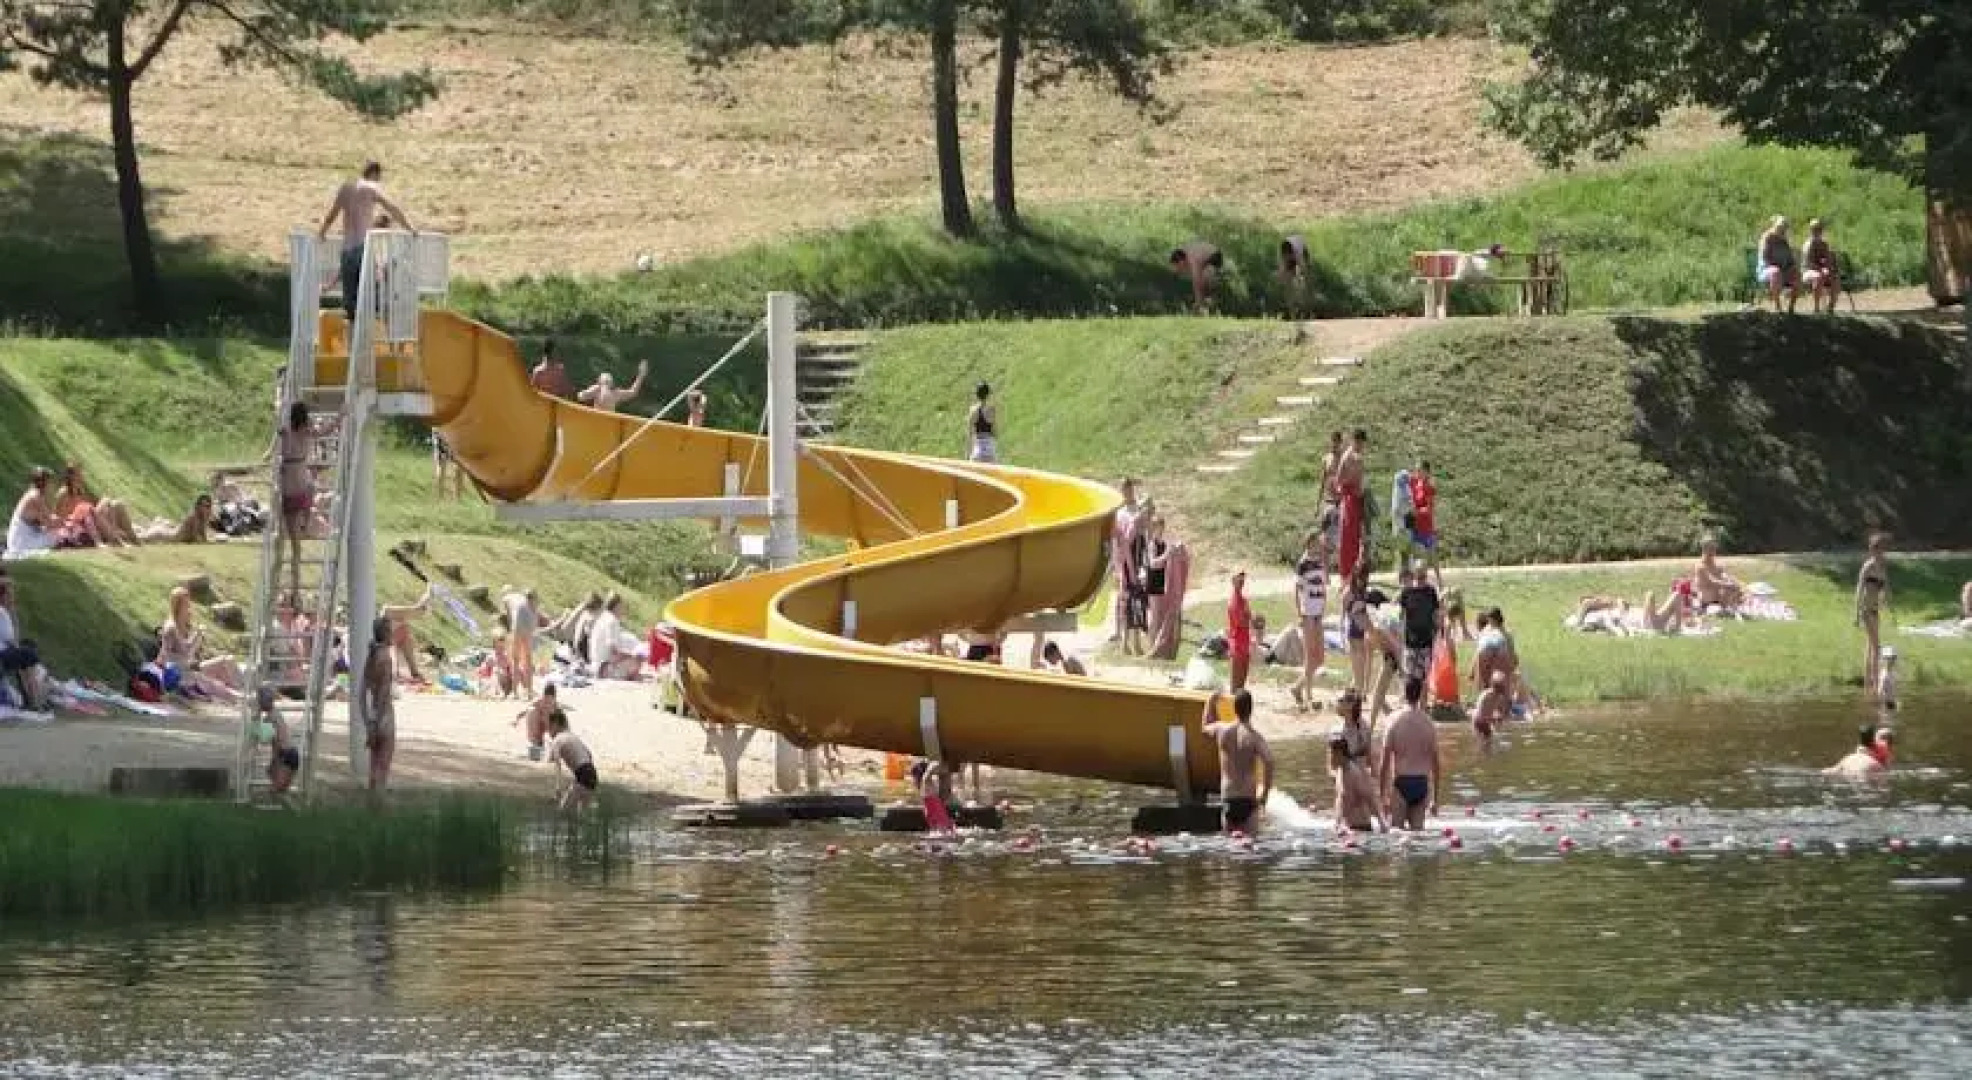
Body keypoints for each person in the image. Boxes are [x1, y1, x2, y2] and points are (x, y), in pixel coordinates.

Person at [317, 162, 416, 322]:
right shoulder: (371, 188)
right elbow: (393, 208)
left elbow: (331, 215)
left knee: (350, 306)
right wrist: (410, 228)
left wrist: (322, 233)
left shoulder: (345, 188)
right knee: (371, 298)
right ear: (375, 174)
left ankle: (352, 339)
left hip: (347, 250)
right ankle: (368, 334)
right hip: (363, 248)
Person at [1200, 689, 1274, 834]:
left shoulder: (1222, 730)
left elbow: (1205, 726)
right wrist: (1264, 795)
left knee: (1229, 849)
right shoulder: (1254, 737)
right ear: (1251, 709)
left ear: (1234, 708)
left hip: (1228, 796)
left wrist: (1211, 700)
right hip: (1248, 798)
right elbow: (1269, 761)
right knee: (1251, 848)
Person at [157, 586, 243, 701]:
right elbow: (173, 655)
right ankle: (243, 698)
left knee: (227, 660)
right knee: (217, 686)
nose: (189, 608)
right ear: (178, 606)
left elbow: (188, 652)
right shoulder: (171, 628)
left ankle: (243, 691)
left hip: (189, 668)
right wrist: (197, 635)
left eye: (189, 604)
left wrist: (198, 634)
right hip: (180, 673)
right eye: (186, 605)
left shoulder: (183, 625)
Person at [1379, 677, 1441, 831]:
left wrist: (1383, 797)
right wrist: (1435, 799)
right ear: (1420, 695)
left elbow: (1384, 763)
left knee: (1396, 834)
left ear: (1403, 694)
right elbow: (1436, 765)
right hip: (1421, 784)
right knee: (1417, 836)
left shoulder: (1393, 721)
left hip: (1401, 782)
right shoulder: (1429, 723)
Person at [272, 402, 316, 601]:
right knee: (295, 547)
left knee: (290, 543)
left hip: (289, 487)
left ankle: (292, 590)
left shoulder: (286, 432)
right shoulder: (306, 432)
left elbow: (279, 436)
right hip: (303, 486)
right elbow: (326, 431)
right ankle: (295, 590)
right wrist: (340, 416)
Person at [53, 464, 138, 547]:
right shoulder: (63, 493)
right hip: (78, 525)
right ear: (70, 476)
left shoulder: (80, 491)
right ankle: (116, 536)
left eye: (81, 473)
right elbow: (59, 517)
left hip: (91, 521)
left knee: (117, 504)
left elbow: (90, 508)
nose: (81, 476)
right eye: (78, 473)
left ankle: (133, 538)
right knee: (105, 501)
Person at [1289, 529, 1329, 710]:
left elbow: (1323, 585)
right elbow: (1297, 590)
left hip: (1318, 611)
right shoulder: (1303, 563)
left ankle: (1298, 687)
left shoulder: (1320, 562)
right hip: (1308, 613)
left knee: (1319, 657)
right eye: (1318, 541)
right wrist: (1300, 613)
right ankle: (1309, 695)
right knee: (1310, 654)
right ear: (1311, 542)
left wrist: (1324, 605)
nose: (1321, 544)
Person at [361, 616, 397, 794]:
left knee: (373, 766)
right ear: (386, 633)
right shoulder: (386, 659)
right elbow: (383, 692)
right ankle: (379, 807)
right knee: (383, 766)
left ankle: (370, 807)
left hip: (371, 714)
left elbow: (362, 692)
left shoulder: (371, 655)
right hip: (384, 715)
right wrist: (377, 720)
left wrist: (368, 720)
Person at [0, 575, 46, 711]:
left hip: (4, 651)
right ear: (2, 597)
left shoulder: (4, 611)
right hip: (2, 653)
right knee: (28, 653)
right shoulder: (1, 612)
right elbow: (10, 639)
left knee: (26, 650)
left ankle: (31, 699)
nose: (13, 599)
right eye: (10, 595)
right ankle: (35, 702)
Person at [1856, 531, 1890, 700]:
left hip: (1876, 610)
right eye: (1878, 549)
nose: (1881, 552)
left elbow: (1885, 587)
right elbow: (1859, 589)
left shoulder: (1882, 566)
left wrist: (1887, 599)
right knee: (1877, 647)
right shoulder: (1868, 566)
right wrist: (1855, 614)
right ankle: (1876, 685)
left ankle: (1868, 682)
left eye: (1883, 549)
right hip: (1866, 609)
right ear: (1872, 549)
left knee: (1870, 646)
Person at [1329, 732, 1385, 835]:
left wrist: (1382, 824)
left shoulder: (1354, 773)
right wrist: (1336, 824)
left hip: (1362, 830)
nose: (1330, 757)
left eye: (1331, 753)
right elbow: (1341, 800)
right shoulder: (1340, 771)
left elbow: (1370, 797)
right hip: (1348, 829)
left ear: (1339, 753)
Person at [1108, 479, 1143, 643]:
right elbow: (1115, 535)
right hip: (1120, 557)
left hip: (1134, 555)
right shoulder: (1119, 511)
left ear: (1132, 490)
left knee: (1132, 594)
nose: (1126, 493)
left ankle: (1134, 631)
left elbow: (1141, 531)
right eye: (1124, 490)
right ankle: (1118, 631)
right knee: (1120, 595)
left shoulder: (1137, 509)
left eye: (1128, 490)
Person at [1397, 561, 1442, 683]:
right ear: (1414, 574)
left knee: (1425, 676)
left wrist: (1439, 632)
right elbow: (1400, 616)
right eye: (1419, 574)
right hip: (1410, 641)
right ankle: (1411, 699)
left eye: (1424, 574)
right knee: (1410, 676)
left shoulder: (1431, 591)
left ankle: (1422, 702)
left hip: (1427, 640)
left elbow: (1436, 614)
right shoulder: (1406, 592)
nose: (1422, 577)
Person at [545, 709, 599, 810]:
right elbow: (589, 754)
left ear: (555, 725)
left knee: (563, 810)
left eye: (549, 727)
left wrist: (557, 788)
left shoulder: (558, 739)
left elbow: (557, 765)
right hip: (592, 774)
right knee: (580, 815)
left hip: (583, 775)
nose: (548, 730)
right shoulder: (573, 736)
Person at [1335, 429, 1368, 583]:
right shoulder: (1352, 457)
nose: (1362, 446)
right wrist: (1352, 485)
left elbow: (1339, 481)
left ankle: (1352, 572)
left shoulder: (1350, 456)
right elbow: (1339, 481)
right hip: (1350, 500)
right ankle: (1348, 573)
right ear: (1357, 441)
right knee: (1349, 538)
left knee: (1353, 538)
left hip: (1352, 499)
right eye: (1361, 442)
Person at [588, 594, 642, 680]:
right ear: (617, 606)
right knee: (637, 661)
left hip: (594, 664)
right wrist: (630, 655)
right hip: (603, 668)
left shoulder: (602, 618)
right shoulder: (612, 621)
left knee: (633, 659)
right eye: (622, 606)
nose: (624, 610)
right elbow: (613, 651)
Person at [5, 468, 56, 558]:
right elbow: (50, 521)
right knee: (55, 536)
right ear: (44, 483)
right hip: (20, 542)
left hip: (24, 537)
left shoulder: (36, 494)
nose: (51, 485)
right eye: (50, 482)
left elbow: (47, 520)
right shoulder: (35, 496)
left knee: (54, 534)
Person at [259, 685, 300, 796]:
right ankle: (284, 806)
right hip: (291, 752)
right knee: (274, 778)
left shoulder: (269, 718)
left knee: (276, 788)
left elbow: (264, 740)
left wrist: (255, 724)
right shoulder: (276, 713)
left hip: (285, 753)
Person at [1407, 460, 1442, 588]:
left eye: (1420, 470)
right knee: (1417, 555)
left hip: (1426, 526)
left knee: (1432, 555)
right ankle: (1419, 580)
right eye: (1416, 470)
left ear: (1427, 472)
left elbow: (1430, 509)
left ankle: (1439, 581)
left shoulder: (1429, 487)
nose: (1417, 472)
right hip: (1415, 525)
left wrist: (1418, 512)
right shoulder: (1415, 483)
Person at [1757, 214, 1799, 313]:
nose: (1783, 230)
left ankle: (1791, 308)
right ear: (1775, 226)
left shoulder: (1784, 240)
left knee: (1796, 274)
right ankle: (1777, 306)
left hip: (1783, 270)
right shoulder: (1767, 237)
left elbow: (1790, 259)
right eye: (1780, 227)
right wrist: (1779, 266)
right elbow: (1765, 258)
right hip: (1766, 270)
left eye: (1784, 228)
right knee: (1775, 272)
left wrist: (1791, 266)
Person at [502, 587, 540, 696]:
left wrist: (510, 629)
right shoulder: (524, 599)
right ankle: (529, 689)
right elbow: (533, 624)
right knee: (528, 660)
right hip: (528, 627)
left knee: (516, 660)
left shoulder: (506, 598)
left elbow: (510, 618)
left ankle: (515, 692)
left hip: (518, 628)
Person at [1693, 534, 1745, 612]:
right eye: (1710, 548)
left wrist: (1734, 583)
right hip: (1706, 596)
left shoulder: (1717, 564)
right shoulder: (1700, 566)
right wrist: (1729, 585)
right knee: (1728, 588)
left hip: (1717, 594)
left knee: (1732, 587)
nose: (1713, 551)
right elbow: (1711, 581)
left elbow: (1724, 575)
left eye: (1714, 548)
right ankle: (1727, 607)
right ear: (1704, 549)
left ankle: (1728, 607)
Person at [1169, 241, 1224, 313]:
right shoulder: (1182, 254)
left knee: (1205, 277)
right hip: (1203, 254)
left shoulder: (1193, 260)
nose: (1179, 269)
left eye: (1179, 266)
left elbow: (1196, 281)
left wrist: (1198, 301)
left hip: (1214, 255)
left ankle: (1208, 301)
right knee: (1201, 280)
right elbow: (1177, 269)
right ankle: (1205, 302)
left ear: (1181, 261)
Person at [136, 493, 214, 544]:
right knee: (139, 538)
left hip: (168, 534)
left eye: (208, 506)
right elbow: (195, 537)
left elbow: (203, 536)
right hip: (164, 536)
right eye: (203, 505)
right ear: (198, 506)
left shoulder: (202, 518)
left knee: (140, 536)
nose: (206, 508)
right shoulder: (194, 517)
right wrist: (208, 542)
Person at [1802, 218, 1842, 313]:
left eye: (1819, 229)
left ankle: (1830, 307)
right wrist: (1821, 269)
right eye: (1815, 229)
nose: (1817, 231)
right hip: (1808, 271)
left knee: (1835, 278)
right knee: (1818, 277)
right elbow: (1809, 263)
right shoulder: (1808, 244)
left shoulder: (1824, 244)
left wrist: (1829, 268)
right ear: (1811, 230)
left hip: (1821, 270)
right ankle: (1816, 308)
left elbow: (1828, 259)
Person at [577, 360, 649, 413]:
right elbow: (581, 397)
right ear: (600, 381)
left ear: (612, 382)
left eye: (609, 379)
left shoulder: (616, 393)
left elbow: (633, 392)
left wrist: (640, 375)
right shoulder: (597, 389)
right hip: (598, 419)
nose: (608, 380)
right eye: (605, 379)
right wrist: (584, 393)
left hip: (610, 420)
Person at [1824, 724, 1889, 781]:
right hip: (1867, 772)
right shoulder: (1878, 755)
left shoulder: (1849, 758)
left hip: (1850, 771)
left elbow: (1830, 771)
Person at [1226, 570, 1254, 693]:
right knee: (1235, 686)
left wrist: (1249, 617)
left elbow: (1248, 618)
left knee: (1241, 685)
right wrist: (1248, 617)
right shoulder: (1233, 600)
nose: (1241, 582)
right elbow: (1240, 621)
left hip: (1245, 642)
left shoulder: (1243, 599)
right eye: (1239, 579)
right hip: (1237, 644)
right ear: (1233, 581)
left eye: (1243, 580)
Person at [1471, 670, 1511, 749]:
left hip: (1485, 721)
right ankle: (1483, 751)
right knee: (1485, 740)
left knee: (1488, 741)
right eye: (1503, 685)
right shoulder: (1487, 695)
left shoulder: (1499, 697)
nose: (1505, 687)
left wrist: (1499, 717)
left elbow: (1499, 712)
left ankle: (1486, 751)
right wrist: (1491, 719)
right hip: (1479, 721)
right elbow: (1480, 712)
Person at [1277, 235, 1311, 319]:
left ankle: (1305, 306)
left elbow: (1303, 268)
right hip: (1289, 246)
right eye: (1286, 257)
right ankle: (1291, 310)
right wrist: (1282, 279)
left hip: (1301, 248)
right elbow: (1281, 271)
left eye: (1289, 257)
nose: (1287, 258)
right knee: (1287, 282)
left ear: (1291, 255)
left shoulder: (1298, 253)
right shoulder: (1283, 254)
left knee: (1304, 278)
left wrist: (1302, 279)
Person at [966, 382, 998, 463]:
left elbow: (970, 434)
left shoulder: (973, 410)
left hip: (978, 450)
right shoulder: (991, 410)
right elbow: (995, 433)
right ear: (987, 395)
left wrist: (968, 454)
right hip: (990, 450)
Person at [1876, 646, 1899, 713]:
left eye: (1893, 658)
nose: (1891, 661)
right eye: (1888, 658)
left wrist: (1896, 701)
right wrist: (1881, 703)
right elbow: (1880, 691)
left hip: (1892, 702)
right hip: (1885, 703)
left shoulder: (1893, 673)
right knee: (1886, 719)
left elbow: (1896, 688)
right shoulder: (1883, 674)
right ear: (1883, 659)